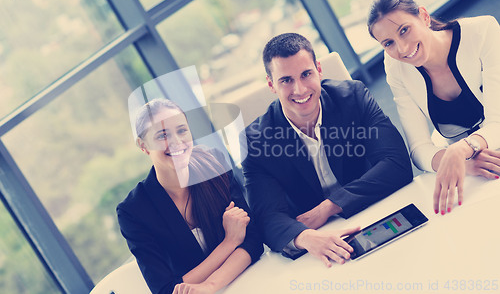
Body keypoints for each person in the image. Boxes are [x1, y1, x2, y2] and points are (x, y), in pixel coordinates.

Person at [240, 33, 413, 267]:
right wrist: (305, 237)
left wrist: (328, 207)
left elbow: (397, 163)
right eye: (286, 80)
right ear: (271, 85)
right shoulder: (255, 141)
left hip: (372, 213)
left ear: (318, 70)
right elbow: (267, 218)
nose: (299, 89)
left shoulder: (353, 96)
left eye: (306, 74)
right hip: (315, 243)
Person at [367, 0, 500, 215]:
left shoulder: (482, 31)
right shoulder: (395, 66)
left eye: (404, 30)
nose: (402, 48)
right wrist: (463, 163)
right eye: (388, 43)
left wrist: (462, 149)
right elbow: (418, 149)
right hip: (480, 164)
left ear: (424, 17)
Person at [117, 99, 263, 294]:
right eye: (162, 135)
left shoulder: (214, 164)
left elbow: (253, 240)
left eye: (181, 130)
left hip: (250, 280)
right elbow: (166, 289)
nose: (176, 142)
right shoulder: (133, 212)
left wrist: (209, 286)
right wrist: (230, 242)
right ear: (143, 146)